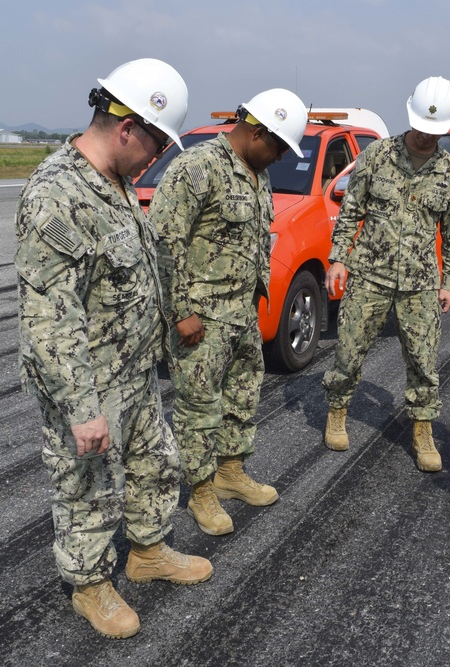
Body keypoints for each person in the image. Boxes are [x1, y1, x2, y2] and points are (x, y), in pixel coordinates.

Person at [15, 58, 213, 639]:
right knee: (88, 491)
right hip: (89, 384)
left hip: (133, 371)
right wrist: (82, 408)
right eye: (155, 144)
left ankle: (148, 551)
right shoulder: (57, 194)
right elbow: (49, 316)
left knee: (157, 463)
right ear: (126, 126)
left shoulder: (116, 183)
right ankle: (91, 586)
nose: (158, 158)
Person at [150, 88, 308, 536]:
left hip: (240, 314)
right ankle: (201, 489)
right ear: (257, 132)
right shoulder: (198, 168)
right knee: (199, 407)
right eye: (278, 146)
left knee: (242, 396)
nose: (280, 157)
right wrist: (180, 312)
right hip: (200, 319)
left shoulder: (257, 174)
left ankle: (230, 472)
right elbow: (164, 244)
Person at [321, 76, 450, 472]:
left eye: (433, 131)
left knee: (423, 361)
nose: (425, 136)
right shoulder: (376, 156)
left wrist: (449, 281)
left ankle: (422, 429)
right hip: (369, 274)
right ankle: (337, 410)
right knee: (349, 350)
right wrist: (338, 258)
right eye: (421, 126)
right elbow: (351, 210)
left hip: (421, 283)